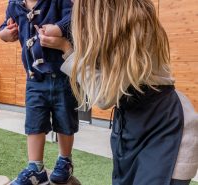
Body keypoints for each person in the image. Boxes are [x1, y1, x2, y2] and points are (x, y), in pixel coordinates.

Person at [37, 0, 198, 185]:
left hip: (166, 126)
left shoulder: (133, 26)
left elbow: (105, 97)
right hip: (131, 122)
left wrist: (67, 49)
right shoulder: (114, 22)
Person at [0, 0, 79, 185]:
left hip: (63, 75)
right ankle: (36, 168)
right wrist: (5, 34)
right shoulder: (15, 5)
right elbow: (5, 26)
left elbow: (74, 18)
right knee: (34, 122)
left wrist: (58, 29)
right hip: (34, 78)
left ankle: (65, 160)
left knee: (65, 120)